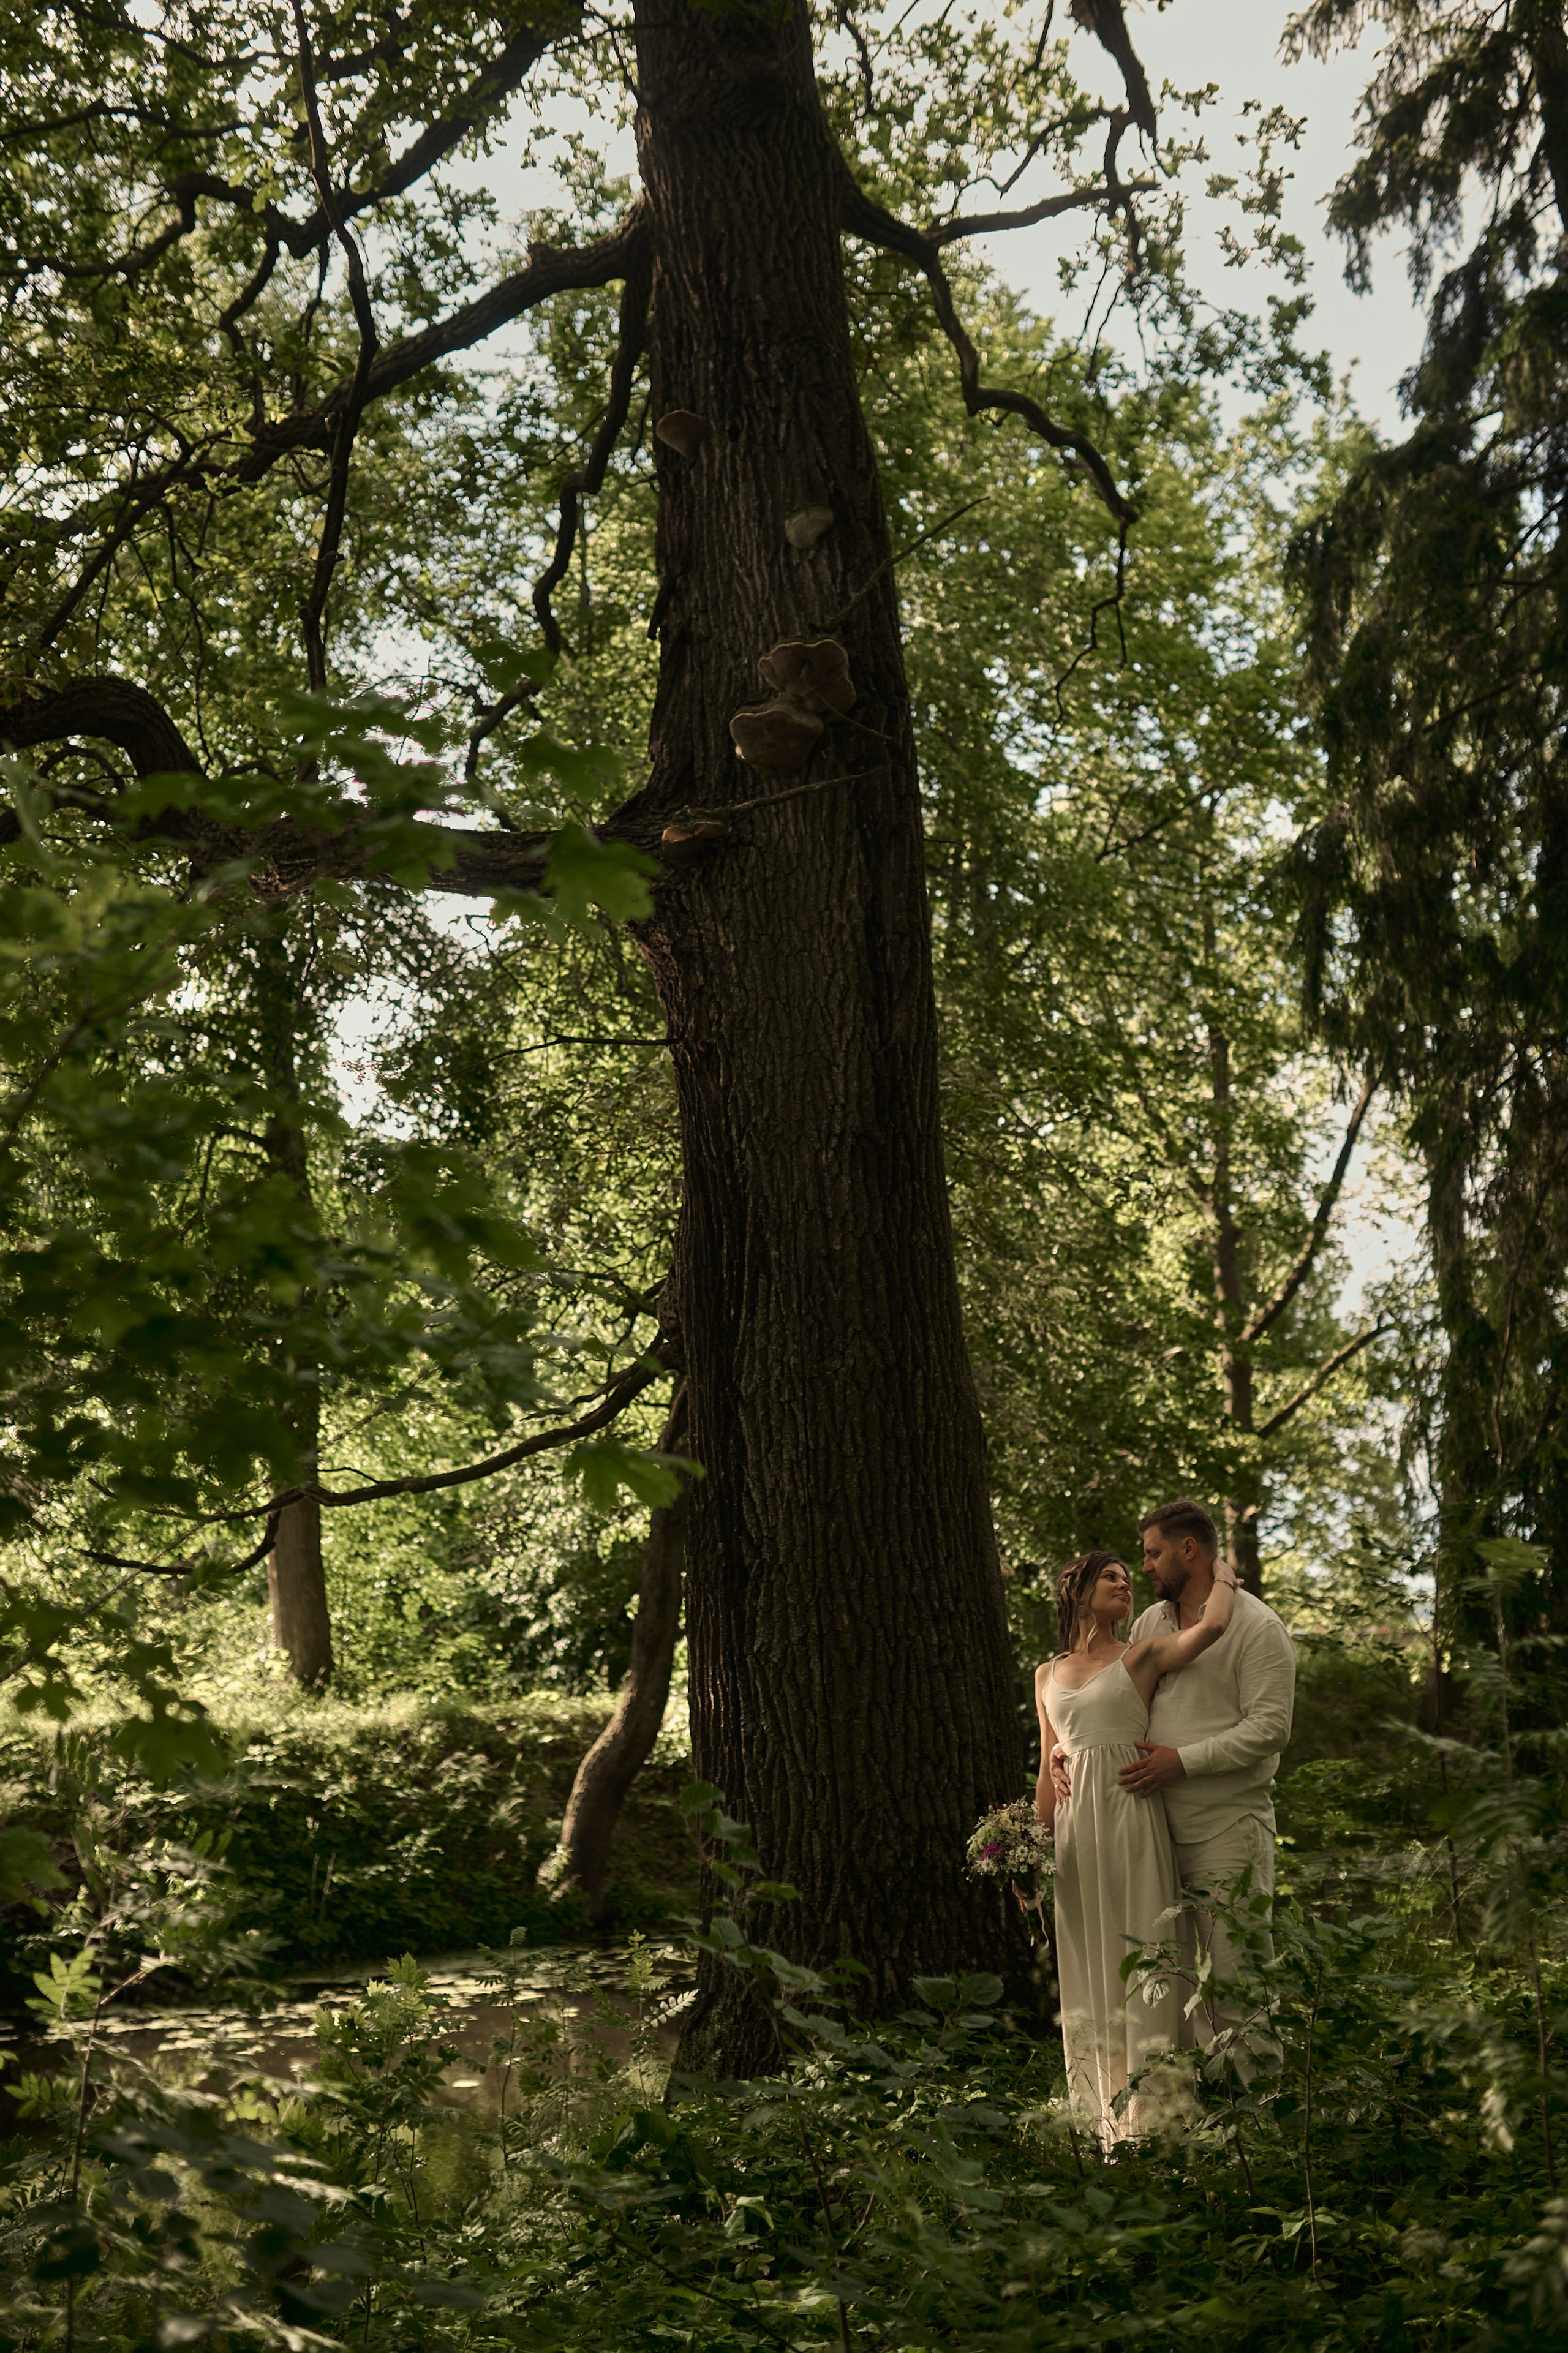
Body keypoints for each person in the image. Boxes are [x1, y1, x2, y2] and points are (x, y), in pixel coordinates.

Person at [1051, 1499, 1296, 2066]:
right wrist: (1069, 1748)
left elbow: (1269, 1730)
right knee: (1170, 1988)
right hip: (1149, 1836)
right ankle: (1194, 2125)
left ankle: (1258, 2130)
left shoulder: (1257, 1628)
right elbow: (1118, 1702)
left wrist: (1182, 1761)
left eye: (1154, 1553)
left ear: (1189, 1550)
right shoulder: (1151, 1624)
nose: (1146, 1568)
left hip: (1225, 1831)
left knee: (1235, 1985)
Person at [1034, 1545, 1238, 2145]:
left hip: (1130, 1814)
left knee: (1147, 1952)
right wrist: (1031, 1850)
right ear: (1077, 1589)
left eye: (1128, 1576)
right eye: (1110, 1576)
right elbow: (1047, 1765)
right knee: (1087, 1959)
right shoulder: (1045, 1673)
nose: (1125, 1583)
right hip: (1076, 1835)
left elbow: (1214, 1626)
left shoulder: (1140, 1654)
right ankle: (1102, 2124)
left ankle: (1158, 2124)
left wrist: (1220, 1573)